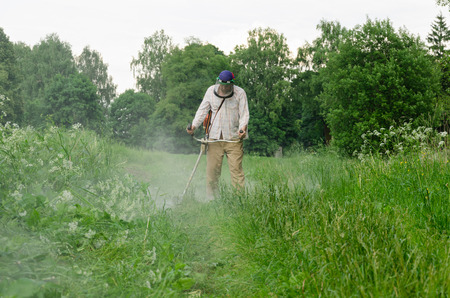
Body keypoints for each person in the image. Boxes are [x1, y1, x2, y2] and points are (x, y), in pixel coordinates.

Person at [187, 70, 249, 199]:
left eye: (227, 86)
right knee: (212, 172)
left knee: (236, 171)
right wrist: (193, 125)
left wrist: (242, 129)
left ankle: (239, 200)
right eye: (222, 85)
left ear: (232, 84)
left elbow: (244, 114)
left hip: (234, 138)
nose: (224, 88)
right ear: (218, 82)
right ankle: (212, 199)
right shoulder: (210, 91)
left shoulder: (240, 93)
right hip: (214, 138)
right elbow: (202, 110)